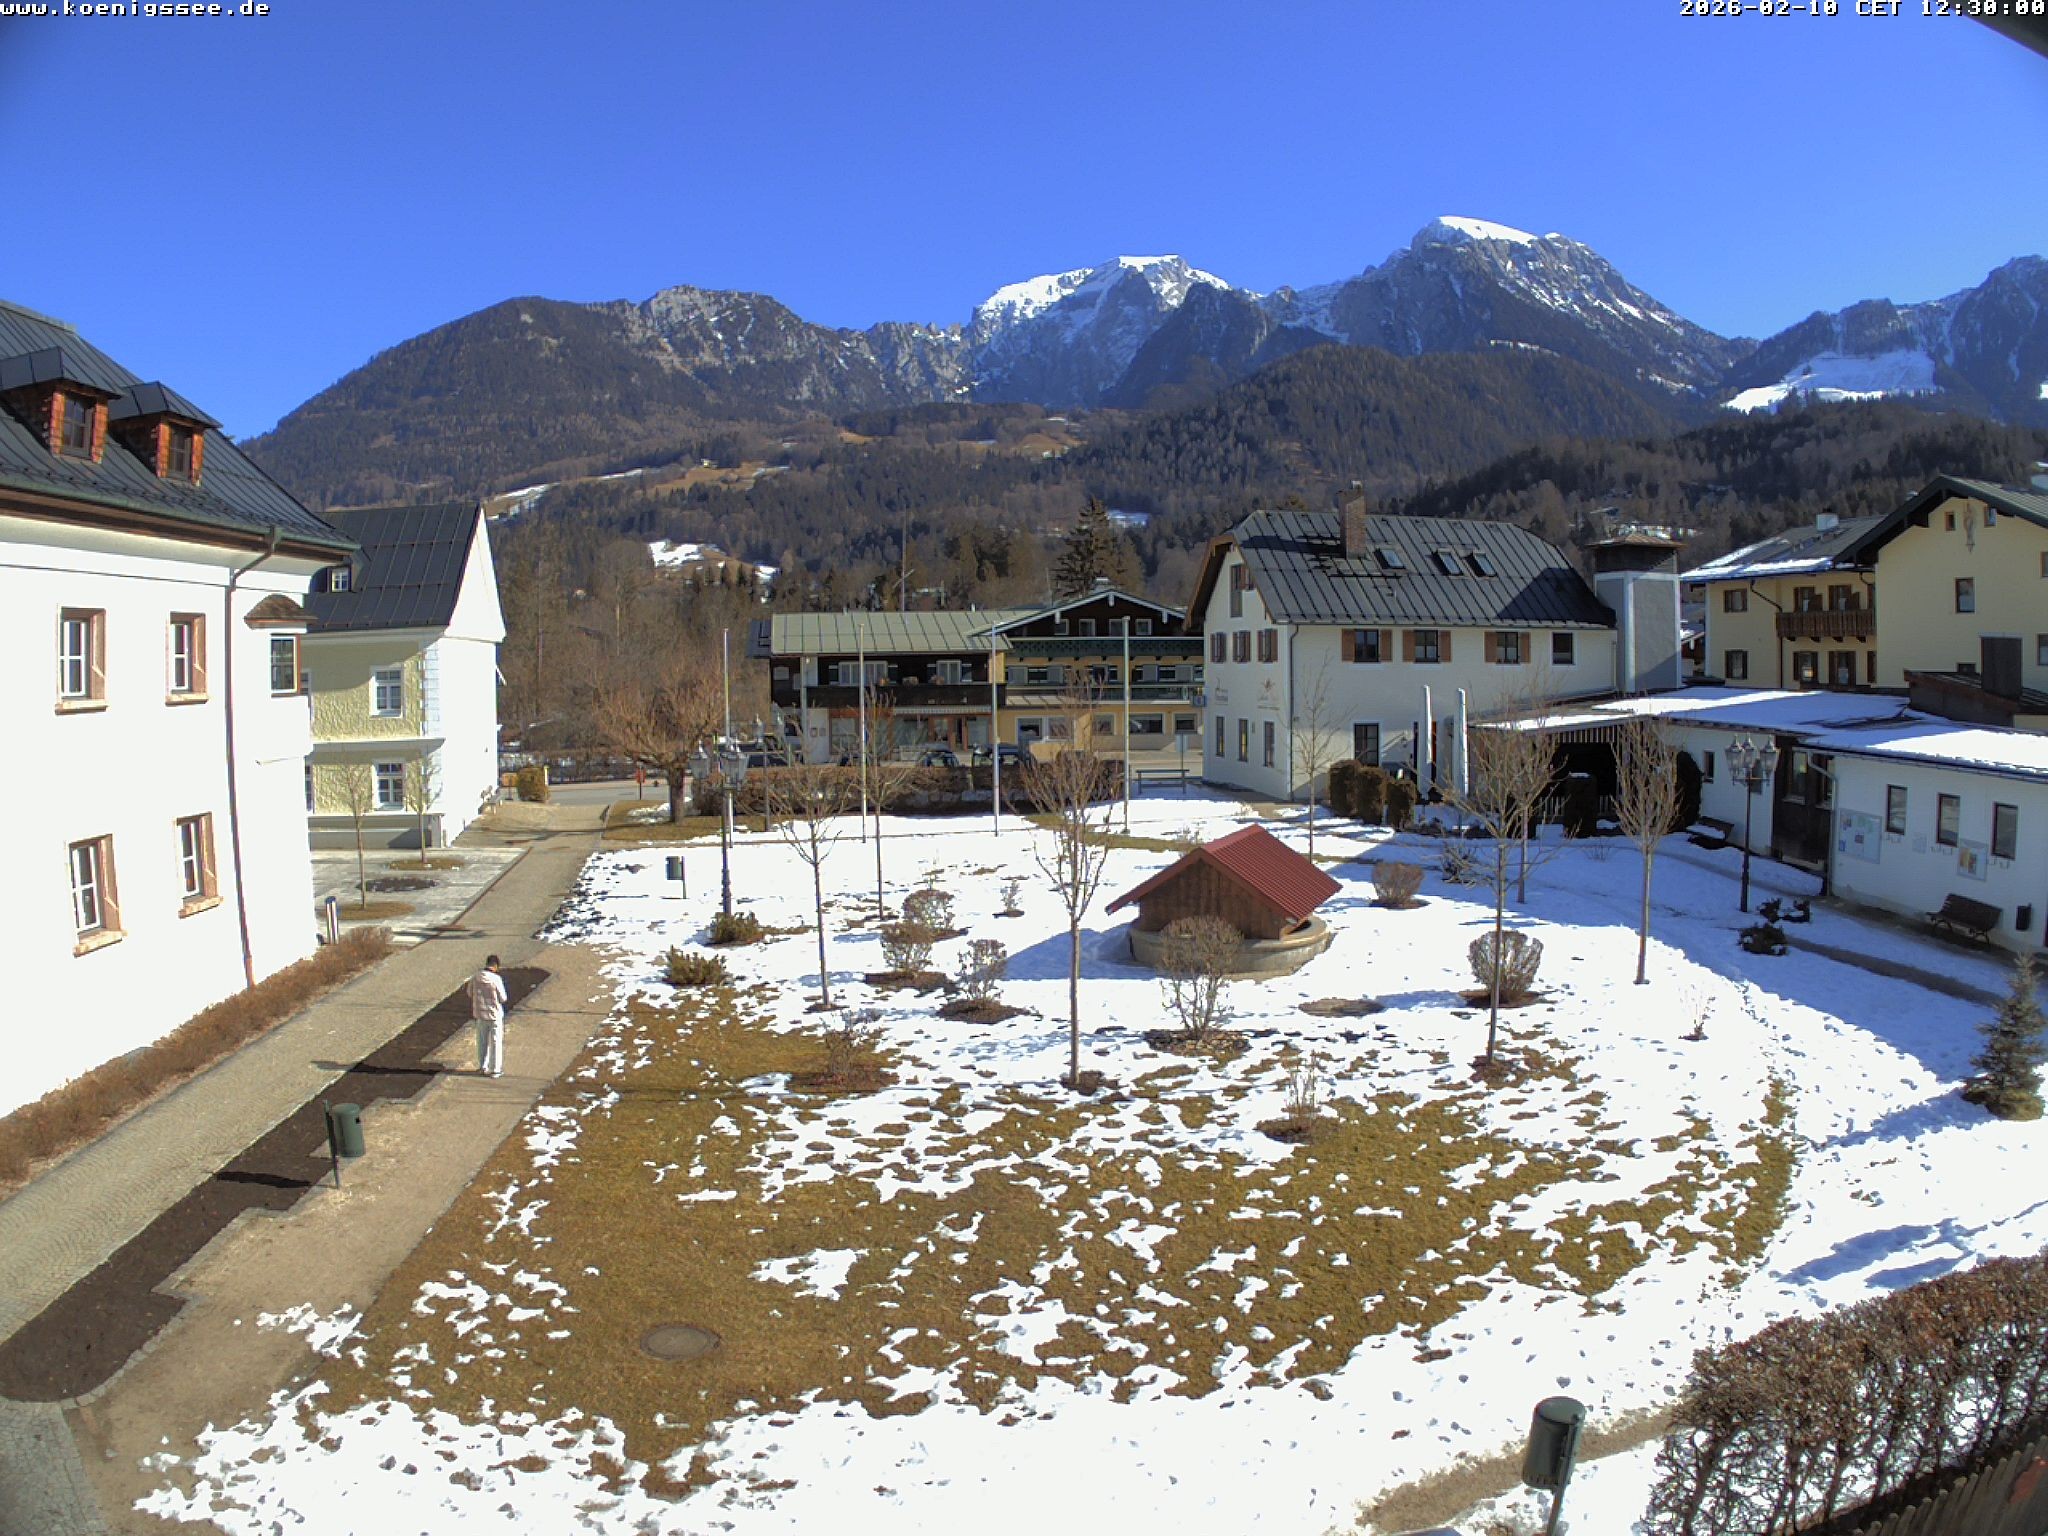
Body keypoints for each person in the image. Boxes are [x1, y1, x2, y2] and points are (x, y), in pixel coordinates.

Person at [469, 955, 509, 1078]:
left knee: (482, 1041)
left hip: (480, 1015)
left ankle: (482, 1066)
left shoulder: (475, 977)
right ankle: (495, 1069)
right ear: (496, 966)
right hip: (494, 1015)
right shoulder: (496, 979)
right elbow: (503, 998)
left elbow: (469, 992)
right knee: (496, 1042)